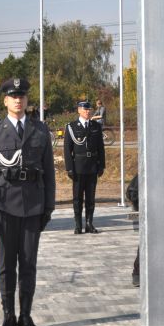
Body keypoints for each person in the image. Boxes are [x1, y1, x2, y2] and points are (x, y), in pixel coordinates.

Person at [0, 77, 55, 326]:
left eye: (22, 96)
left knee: (28, 264)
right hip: (4, 206)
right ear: (5, 101)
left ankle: (26, 316)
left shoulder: (40, 131)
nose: (18, 100)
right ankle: (9, 317)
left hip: (33, 206)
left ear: (27, 100)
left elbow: (48, 171)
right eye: (13, 96)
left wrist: (49, 206)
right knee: (5, 266)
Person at [64, 99, 105, 234]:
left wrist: (101, 165)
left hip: (92, 165)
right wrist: (69, 168)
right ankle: (78, 224)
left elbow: (101, 148)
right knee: (77, 198)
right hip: (78, 166)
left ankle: (89, 223)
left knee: (91, 198)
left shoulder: (95, 126)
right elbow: (67, 150)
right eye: (85, 109)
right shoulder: (71, 127)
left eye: (89, 109)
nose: (87, 112)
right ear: (79, 110)